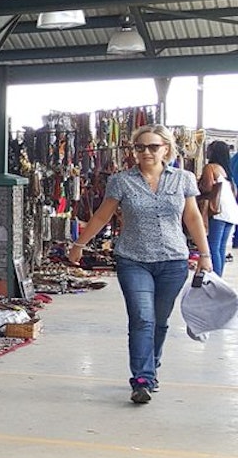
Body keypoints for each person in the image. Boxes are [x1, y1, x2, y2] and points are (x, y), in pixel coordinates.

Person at [70, 124, 213, 404]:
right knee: (142, 319)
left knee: (160, 322)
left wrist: (205, 255)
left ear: (166, 149)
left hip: (173, 261)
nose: (146, 152)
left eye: (153, 147)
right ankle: (142, 379)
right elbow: (102, 216)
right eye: (140, 147)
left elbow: (193, 218)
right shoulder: (122, 181)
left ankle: (152, 367)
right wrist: (79, 245)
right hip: (133, 260)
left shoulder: (183, 179)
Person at [198, 140, 236, 276]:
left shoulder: (210, 167)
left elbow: (207, 187)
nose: (207, 152)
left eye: (209, 149)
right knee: (220, 247)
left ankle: (215, 278)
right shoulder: (227, 171)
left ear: (214, 152)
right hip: (230, 212)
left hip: (217, 210)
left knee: (212, 245)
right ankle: (219, 277)